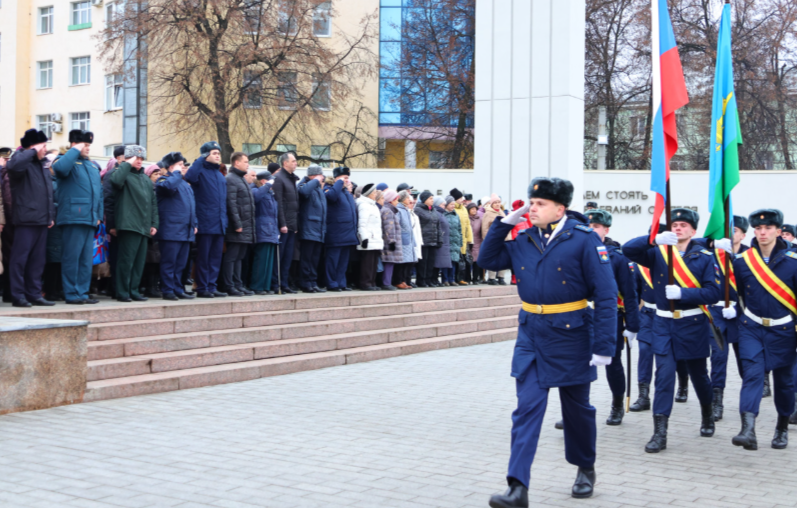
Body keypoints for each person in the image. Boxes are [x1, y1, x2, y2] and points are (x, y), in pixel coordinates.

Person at [483, 177, 617, 505]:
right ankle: (517, 487)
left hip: (571, 334)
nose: (533, 207)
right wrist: (503, 224)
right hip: (531, 333)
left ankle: (585, 467)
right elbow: (487, 260)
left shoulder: (583, 240)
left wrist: (604, 346)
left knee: (577, 411)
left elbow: (606, 294)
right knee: (526, 409)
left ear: (561, 208)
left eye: (540, 204)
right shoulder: (525, 238)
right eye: (532, 202)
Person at [623, 208, 721, 453]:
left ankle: (707, 414)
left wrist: (684, 293)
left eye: (683, 225)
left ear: (693, 231)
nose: (678, 228)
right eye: (674, 225)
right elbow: (628, 250)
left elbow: (714, 292)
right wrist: (652, 239)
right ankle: (660, 433)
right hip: (663, 324)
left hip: (692, 324)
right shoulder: (658, 254)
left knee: (699, 375)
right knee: (664, 377)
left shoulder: (704, 257)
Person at [731, 209, 797, 450]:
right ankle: (747, 429)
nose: (762, 232)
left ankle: (781, 427)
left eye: (768, 228)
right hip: (752, 328)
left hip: (784, 331)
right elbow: (731, 293)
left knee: (785, 383)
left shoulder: (793, 262)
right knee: (752, 376)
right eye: (758, 229)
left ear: (779, 232)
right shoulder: (743, 262)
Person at [586, 209, 640, 425]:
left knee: (613, 363)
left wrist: (633, 325)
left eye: (596, 227)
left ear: (606, 230)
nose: (591, 231)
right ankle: (575, 408)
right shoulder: (579, 252)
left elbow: (630, 293)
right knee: (579, 363)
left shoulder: (617, 257)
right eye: (588, 227)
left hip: (611, 317)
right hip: (583, 314)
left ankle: (617, 405)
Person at [702, 215, 749, 421]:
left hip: (741, 315)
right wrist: (712, 243)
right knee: (718, 358)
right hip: (717, 312)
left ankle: (748, 401)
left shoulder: (750, 255)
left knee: (745, 360)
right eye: (728, 231)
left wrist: (738, 308)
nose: (731, 235)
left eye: (736, 230)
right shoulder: (714, 254)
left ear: (743, 234)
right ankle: (717, 402)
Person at [51, 130, 103, 305]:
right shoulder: (66, 161)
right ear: (74, 144)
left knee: (85, 259)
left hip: (89, 218)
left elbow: (99, 193)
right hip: (73, 216)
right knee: (71, 257)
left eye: (89, 145)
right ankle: (71, 293)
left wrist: (98, 215)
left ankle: (82, 292)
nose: (87, 148)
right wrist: (74, 150)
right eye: (84, 145)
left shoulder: (91, 166)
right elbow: (59, 168)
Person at [6, 130, 55, 307]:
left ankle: (34, 293)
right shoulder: (21, 160)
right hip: (26, 219)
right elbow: (13, 166)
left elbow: (48, 194)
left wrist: (50, 216)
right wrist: (32, 151)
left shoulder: (40, 164)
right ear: (33, 147)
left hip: (42, 220)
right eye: (43, 146)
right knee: (20, 259)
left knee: (37, 261)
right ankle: (18, 295)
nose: (45, 149)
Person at [110, 145, 159, 303]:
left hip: (143, 226)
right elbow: (116, 181)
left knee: (138, 263)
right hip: (129, 224)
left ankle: (134, 290)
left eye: (141, 158)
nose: (139, 161)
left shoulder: (145, 178)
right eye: (135, 158)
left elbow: (153, 203)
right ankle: (123, 291)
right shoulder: (122, 174)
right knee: (126, 260)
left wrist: (154, 223)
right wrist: (127, 163)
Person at [184, 141, 228, 298]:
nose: (218, 156)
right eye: (214, 153)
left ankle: (212, 285)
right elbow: (189, 176)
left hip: (219, 223)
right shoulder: (199, 170)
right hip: (205, 222)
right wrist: (200, 160)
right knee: (204, 257)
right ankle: (202, 287)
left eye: (218, 153)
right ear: (205, 155)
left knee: (215, 258)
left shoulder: (219, 175)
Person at [629, 225, 665, 412]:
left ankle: (680, 383)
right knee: (644, 352)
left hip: (667, 316)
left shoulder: (676, 262)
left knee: (666, 358)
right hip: (648, 315)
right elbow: (634, 294)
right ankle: (643, 395)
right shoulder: (640, 265)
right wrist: (631, 323)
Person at [155, 152, 196, 300]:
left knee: (181, 264)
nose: (184, 167)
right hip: (170, 230)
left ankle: (178, 288)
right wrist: (176, 174)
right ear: (171, 167)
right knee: (169, 262)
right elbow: (168, 187)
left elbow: (191, 206)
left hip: (185, 230)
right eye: (180, 165)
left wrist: (194, 223)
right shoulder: (163, 180)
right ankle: (167, 290)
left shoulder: (184, 184)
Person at [222, 153, 256, 297]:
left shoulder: (241, 179)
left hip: (246, 226)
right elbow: (232, 203)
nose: (247, 164)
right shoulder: (231, 179)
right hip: (237, 227)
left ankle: (238, 284)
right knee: (232, 257)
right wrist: (237, 223)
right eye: (245, 162)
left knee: (239, 257)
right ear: (236, 163)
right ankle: (229, 285)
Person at [324, 166, 358, 292]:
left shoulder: (346, 193)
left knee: (343, 262)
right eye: (344, 177)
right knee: (333, 260)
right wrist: (338, 182)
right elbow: (331, 197)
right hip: (336, 232)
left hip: (347, 232)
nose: (347, 180)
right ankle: (331, 283)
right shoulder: (330, 189)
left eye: (348, 178)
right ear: (336, 178)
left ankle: (341, 282)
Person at [271, 152, 300, 294]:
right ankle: (276, 284)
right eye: (293, 161)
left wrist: (294, 226)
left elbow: (294, 204)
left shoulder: (291, 179)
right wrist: (282, 224)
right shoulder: (279, 178)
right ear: (285, 163)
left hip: (291, 225)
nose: (296, 163)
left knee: (288, 256)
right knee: (280, 256)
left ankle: (284, 283)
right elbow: (279, 204)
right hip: (283, 226)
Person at [297, 165, 328, 293]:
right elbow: (303, 193)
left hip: (319, 230)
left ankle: (313, 282)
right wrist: (315, 180)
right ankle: (305, 283)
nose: (323, 178)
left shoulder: (318, 189)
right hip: (309, 229)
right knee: (307, 258)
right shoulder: (304, 184)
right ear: (314, 175)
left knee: (315, 259)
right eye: (321, 175)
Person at [250, 170, 279, 295]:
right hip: (262, 229)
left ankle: (266, 286)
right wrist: (267, 186)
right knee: (261, 260)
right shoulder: (255, 190)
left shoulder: (269, 193)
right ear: (263, 181)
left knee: (268, 261)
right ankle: (257, 286)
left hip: (271, 230)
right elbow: (255, 198)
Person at [356, 184, 383, 291]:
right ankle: (365, 283)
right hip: (368, 239)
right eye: (375, 192)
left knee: (373, 263)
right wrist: (364, 238)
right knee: (367, 263)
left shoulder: (373, 205)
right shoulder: (364, 205)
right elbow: (362, 223)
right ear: (370, 194)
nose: (376, 194)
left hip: (375, 238)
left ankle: (372, 282)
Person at [413, 190, 439, 288]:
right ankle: (421, 280)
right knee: (423, 263)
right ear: (424, 199)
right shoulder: (418, 210)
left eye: (432, 198)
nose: (432, 200)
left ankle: (428, 280)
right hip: (423, 240)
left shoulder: (433, 210)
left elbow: (438, 225)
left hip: (432, 240)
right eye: (430, 198)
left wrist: (438, 239)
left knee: (430, 262)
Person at [481, 197, 508, 285]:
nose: (497, 204)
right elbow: (485, 228)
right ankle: (491, 278)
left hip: (504, 239)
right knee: (493, 258)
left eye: (499, 202)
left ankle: (501, 277)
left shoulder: (502, 212)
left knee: (503, 258)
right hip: (493, 239)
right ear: (491, 204)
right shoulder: (488, 213)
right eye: (495, 202)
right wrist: (487, 239)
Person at [379, 190, 403, 291]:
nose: (397, 202)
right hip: (389, 243)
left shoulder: (389, 210)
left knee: (390, 263)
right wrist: (391, 241)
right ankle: (386, 282)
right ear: (391, 200)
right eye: (396, 199)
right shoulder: (388, 211)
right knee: (389, 263)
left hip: (389, 241)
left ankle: (387, 282)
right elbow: (389, 228)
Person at [394, 190, 417, 290]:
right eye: (407, 198)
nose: (409, 200)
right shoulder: (399, 210)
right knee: (401, 263)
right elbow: (397, 225)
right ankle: (398, 281)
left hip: (408, 240)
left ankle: (403, 280)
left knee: (407, 263)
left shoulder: (406, 210)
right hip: (403, 241)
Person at [450, 188, 473, 284]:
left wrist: (469, 238)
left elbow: (468, 224)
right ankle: (456, 278)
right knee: (456, 259)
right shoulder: (452, 208)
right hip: (456, 237)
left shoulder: (464, 208)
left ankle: (462, 278)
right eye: (459, 198)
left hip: (464, 237)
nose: (461, 199)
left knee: (463, 259)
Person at [442, 196, 463, 286]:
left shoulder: (456, 215)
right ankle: (445, 279)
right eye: (451, 204)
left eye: (454, 204)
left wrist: (460, 242)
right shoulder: (443, 214)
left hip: (455, 242)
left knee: (454, 262)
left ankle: (452, 279)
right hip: (446, 242)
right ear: (446, 205)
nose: (453, 206)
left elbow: (459, 229)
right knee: (446, 262)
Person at [467, 203, 484, 284]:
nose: (474, 210)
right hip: (468, 242)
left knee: (476, 261)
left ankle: (475, 278)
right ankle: (467, 278)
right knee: (468, 260)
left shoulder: (480, 219)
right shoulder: (466, 218)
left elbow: (482, 230)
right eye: (472, 209)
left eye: (475, 209)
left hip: (477, 241)